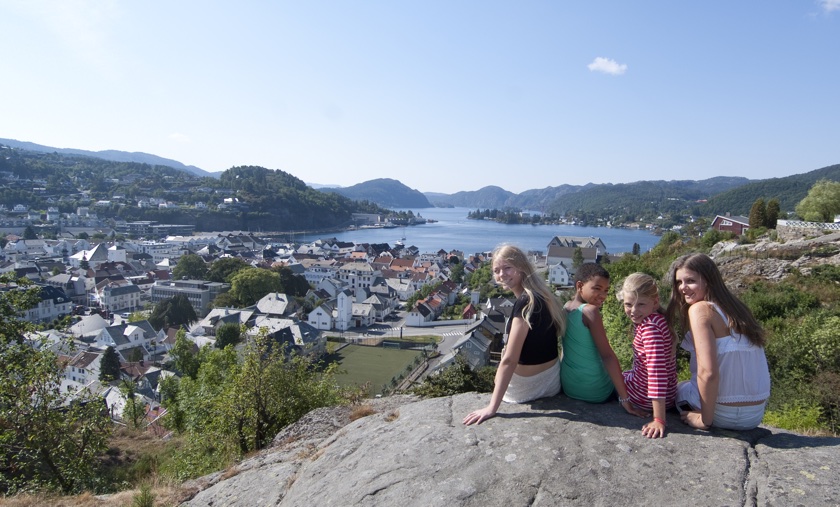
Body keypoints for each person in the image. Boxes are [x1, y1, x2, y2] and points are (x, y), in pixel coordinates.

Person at [463, 244, 565, 425]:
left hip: (526, 388)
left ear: (521, 267)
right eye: (497, 270)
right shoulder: (543, 295)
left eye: (507, 268)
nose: (501, 274)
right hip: (551, 381)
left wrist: (491, 408)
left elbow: (510, 360)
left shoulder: (526, 302)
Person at [667, 253, 770, 431]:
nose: (683, 288)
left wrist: (704, 421)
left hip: (722, 415)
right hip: (755, 415)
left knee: (673, 390)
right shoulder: (738, 310)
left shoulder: (700, 309)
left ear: (708, 280)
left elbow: (708, 373)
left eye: (690, 280)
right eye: (679, 282)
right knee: (685, 384)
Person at [560, 263, 646, 417]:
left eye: (606, 290)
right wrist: (625, 399)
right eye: (597, 288)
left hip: (569, 386)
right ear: (580, 286)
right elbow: (608, 356)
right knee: (634, 380)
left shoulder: (566, 307)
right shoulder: (590, 312)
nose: (603, 295)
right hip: (596, 391)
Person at [617, 273, 678, 438]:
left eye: (641, 304)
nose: (634, 311)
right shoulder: (657, 320)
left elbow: (656, 373)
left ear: (655, 302)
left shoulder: (650, 329)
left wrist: (659, 419)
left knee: (607, 375)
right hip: (669, 394)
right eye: (628, 304)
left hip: (644, 397)